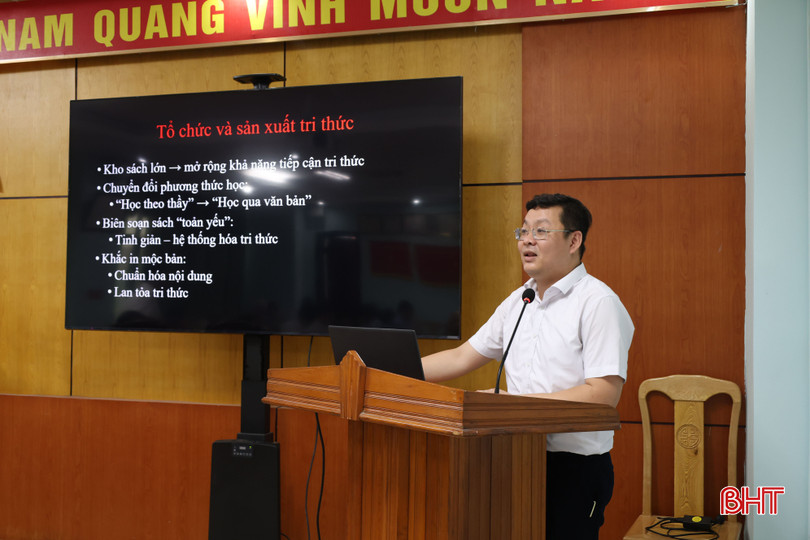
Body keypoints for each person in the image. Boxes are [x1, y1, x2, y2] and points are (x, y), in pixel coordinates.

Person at [421, 193, 634, 540]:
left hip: (572, 468)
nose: (527, 240)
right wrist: (392, 370)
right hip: (514, 454)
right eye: (523, 231)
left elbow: (603, 394)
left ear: (574, 241)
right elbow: (462, 357)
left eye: (541, 231)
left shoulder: (598, 303)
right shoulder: (521, 299)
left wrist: (515, 406)